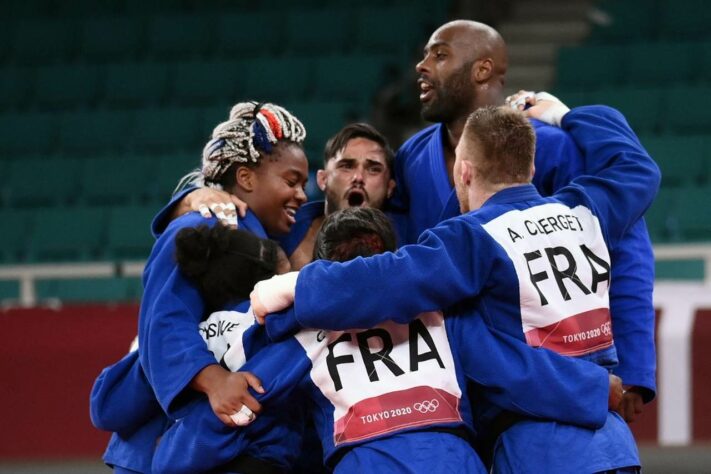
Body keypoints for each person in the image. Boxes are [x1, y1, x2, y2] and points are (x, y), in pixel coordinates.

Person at [251, 98, 660, 473]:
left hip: (538, 449)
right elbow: (638, 169)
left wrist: (299, 286)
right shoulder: (584, 207)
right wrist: (566, 114)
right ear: (531, 168)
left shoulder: (472, 238)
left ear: (462, 172)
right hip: (613, 445)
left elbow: (389, 279)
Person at [154, 207, 620, 474]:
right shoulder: (442, 312)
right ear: (391, 258)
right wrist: (600, 389)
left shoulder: (303, 330)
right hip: (451, 460)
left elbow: (248, 396)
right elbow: (517, 371)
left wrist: (169, 460)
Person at [392, 20, 656, 423]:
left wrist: (632, 365)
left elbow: (622, 248)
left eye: (439, 54)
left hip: (546, 369)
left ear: (482, 70)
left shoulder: (548, 146)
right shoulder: (412, 155)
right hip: (449, 373)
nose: (422, 65)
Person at [91, 101, 309, 473]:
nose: (301, 195)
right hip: (168, 443)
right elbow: (164, 319)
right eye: (291, 182)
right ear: (246, 177)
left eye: (305, 184)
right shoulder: (199, 226)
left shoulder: (263, 234)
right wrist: (214, 381)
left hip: (220, 442)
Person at [158, 122, 399, 271]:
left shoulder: (408, 239)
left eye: (373, 168)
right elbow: (199, 230)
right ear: (323, 179)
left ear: (390, 187)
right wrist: (191, 197)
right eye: (346, 166)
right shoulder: (281, 225)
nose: (358, 177)